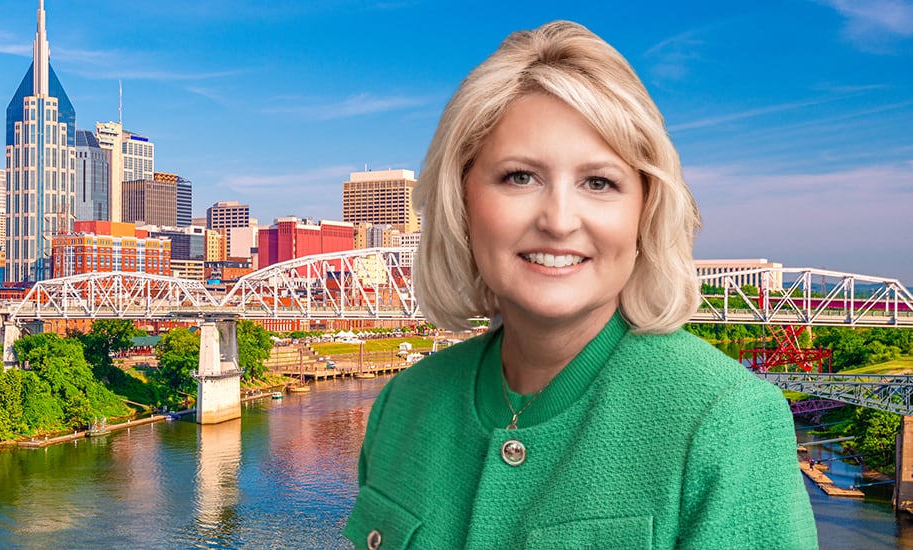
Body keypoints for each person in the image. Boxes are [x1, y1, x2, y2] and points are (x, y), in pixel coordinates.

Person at [344, 21, 816, 549]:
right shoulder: (403, 403)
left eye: (599, 182)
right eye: (520, 176)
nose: (559, 220)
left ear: (645, 211)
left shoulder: (727, 421)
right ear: (462, 202)